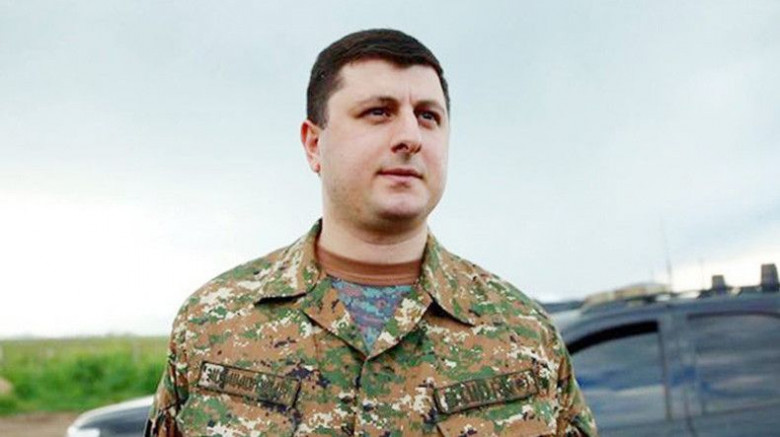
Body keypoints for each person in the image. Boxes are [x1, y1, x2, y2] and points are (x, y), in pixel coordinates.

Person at [145, 28, 597, 437]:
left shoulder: (524, 334)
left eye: (428, 116)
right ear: (314, 144)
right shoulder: (213, 324)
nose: (410, 136)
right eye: (379, 112)